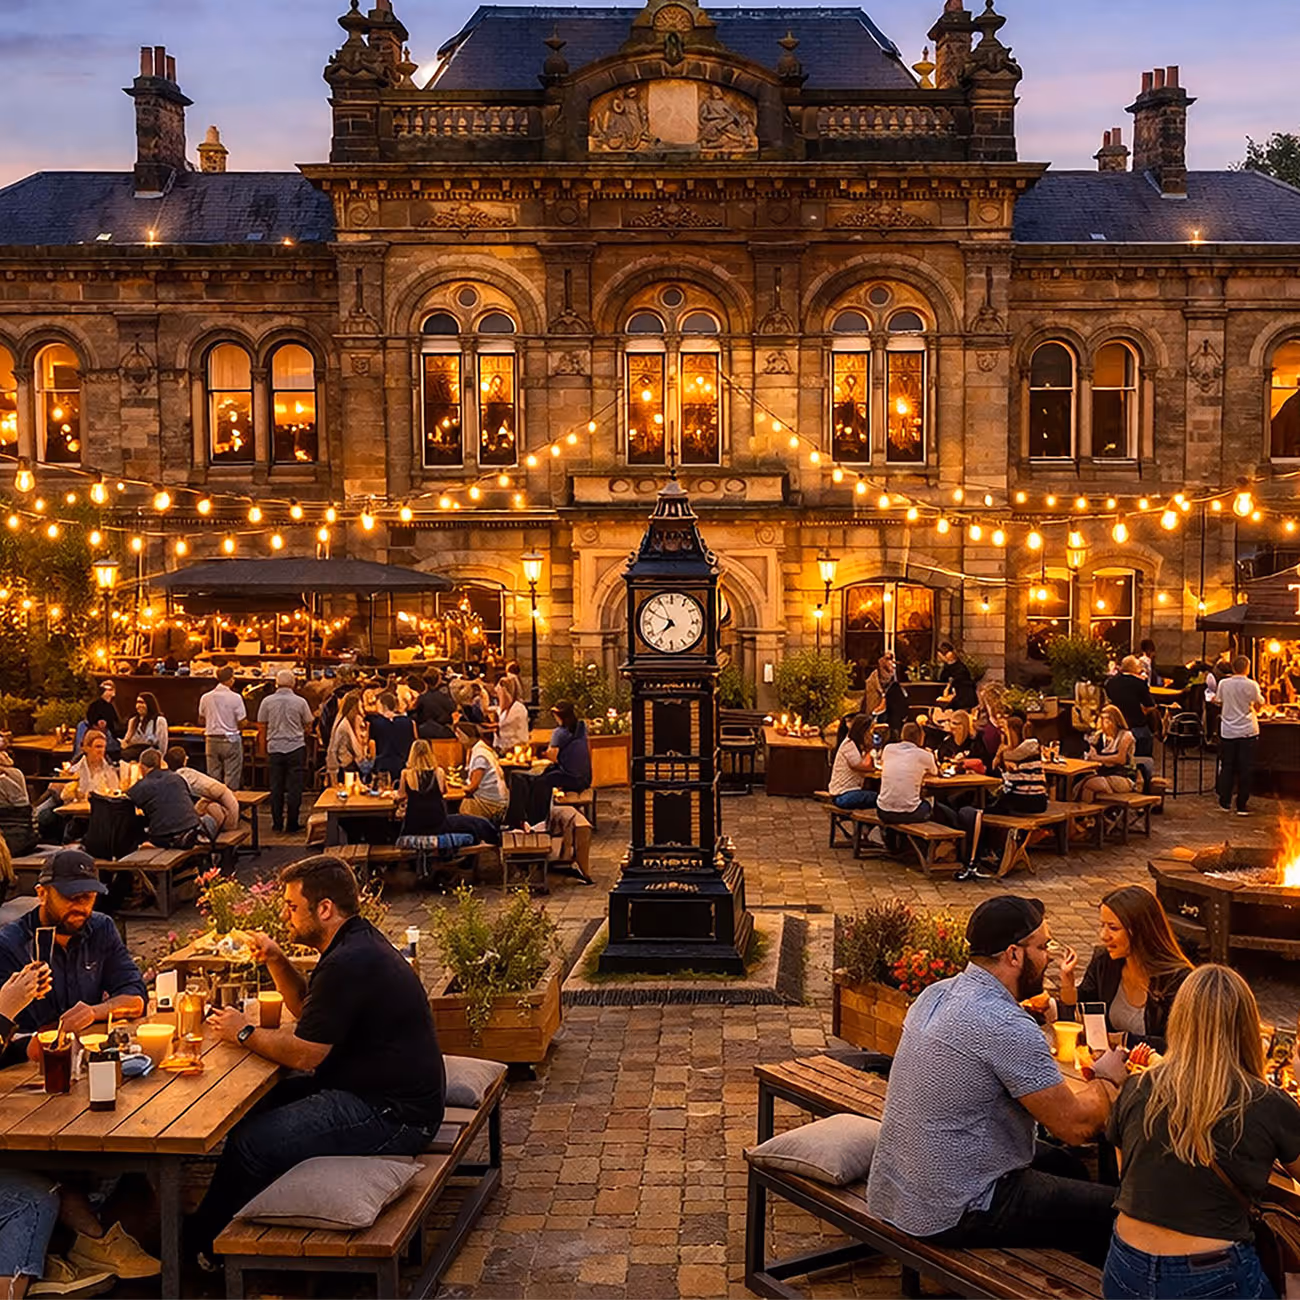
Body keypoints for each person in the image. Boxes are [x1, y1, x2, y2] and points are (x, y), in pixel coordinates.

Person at [193, 855, 446, 1264]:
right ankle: (248, 1214)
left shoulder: (349, 961)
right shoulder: (352, 943)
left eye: (292, 906)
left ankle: (202, 1246)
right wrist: (276, 957)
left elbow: (307, 1053)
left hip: (393, 1115)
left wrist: (243, 1031)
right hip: (378, 1092)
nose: (284, 915)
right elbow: (307, 1011)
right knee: (263, 1106)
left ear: (324, 908)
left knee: (250, 1143)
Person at [866, 895, 1126, 1264]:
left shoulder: (935, 993)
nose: (1049, 955)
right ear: (1014, 955)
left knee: (1067, 1167)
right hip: (954, 1208)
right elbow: (1077, 1126)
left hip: (899, 1190)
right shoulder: (1004, 1023)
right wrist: (1108, 1078)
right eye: (1042, 946)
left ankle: (1063, 1264)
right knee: (1119, 1214)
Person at [1102, 964, 1300, 1299]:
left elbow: (1129, 1176)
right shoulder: (1269, 1103)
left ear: (1179, 1021)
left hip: (1125, 1268)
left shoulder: (1136, 1087)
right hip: (1210, 1276)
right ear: (1248, 1027)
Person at [0, 850, 146, 1045]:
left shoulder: (101, 928)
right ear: (42, 894)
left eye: (88, 896)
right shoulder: (10, 944)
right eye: (70, 896)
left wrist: (94, 1012)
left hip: (86, 1050)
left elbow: (135, 995)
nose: (81, 905)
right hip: (30, 1062)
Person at [1057, 885, 1193, 1051]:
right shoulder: (1105, 962)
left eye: (1113, 928)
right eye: (1102, 925)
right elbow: (1082, 1010)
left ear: (1140, 930)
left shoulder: (1178, 980)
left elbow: (1180, 1045)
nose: (1104, 936)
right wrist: (1067, 984)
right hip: (1109, 1066)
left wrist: (1124, 1040)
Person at [956, 714, 1048, 875]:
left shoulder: (1014, 754)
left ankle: (982, 852)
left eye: (1004, 731)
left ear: (1011, 732)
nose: (1001, 735)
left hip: (1023, 801)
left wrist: (995, 761)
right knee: (987, 806)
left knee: (980, 812)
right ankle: (992, 850)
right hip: (1039, 800)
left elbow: (1009, 784)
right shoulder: (1032, 750)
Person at [256, 670, 314, 834]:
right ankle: (292, 823)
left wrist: (262, 749)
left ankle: (277, 823)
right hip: (295, 748)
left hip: (274, 748)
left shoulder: (266, 702)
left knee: (276, 787)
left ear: (276, 683)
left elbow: (261, 727)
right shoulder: (301, 702)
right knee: (295, 788)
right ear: (293, 684)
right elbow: (309, 725)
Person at [34, 730, 119, 842]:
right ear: (87, 748)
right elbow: (65, 796)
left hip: (100, 811)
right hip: (76, 812)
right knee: (44, 814)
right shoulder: (75, 770)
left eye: (103, 747)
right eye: (98, 747)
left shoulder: (109, 770)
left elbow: (114, 791)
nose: (101, 751)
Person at [127, 748, 214, 847]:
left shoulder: (141, 786)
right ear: (159, 764)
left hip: (164, 836)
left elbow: (126, 802)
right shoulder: (176, 777)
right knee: (208, 820)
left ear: (141, 767)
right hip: (192, 827)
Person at [1215, 655, 1263, 816]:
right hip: (1247, 730)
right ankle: (1241, 804)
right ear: (1247, 668)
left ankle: (1225, 802)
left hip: (1228, 730)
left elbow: (1218, 701)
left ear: (1233, 668)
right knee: (1245, 767)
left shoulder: (1224, 684)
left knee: (1227, 766)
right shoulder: (1252, 685)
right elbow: (1259, 702)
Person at [163, 746, 239, 834]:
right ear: (185, 760)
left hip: (227, 806)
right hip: (225, 799)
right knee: (206, 808)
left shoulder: (182, 775)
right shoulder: (184, 773)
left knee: (204, 810)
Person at [198, 666, 246, 790]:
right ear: (230, 679)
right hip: (231, 739)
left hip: (211, 740)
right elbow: (242, 722)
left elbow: (201, 719)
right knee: (231, 775)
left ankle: (215, 805)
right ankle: (230, 804)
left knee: (213, 777)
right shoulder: (236, 697)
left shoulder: (205, 697)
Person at [1080, 705, 1137, 803]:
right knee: (1081, 785)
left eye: (1107, 720)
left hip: (1122, 775)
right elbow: (1091, 756)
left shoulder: (1125, 736)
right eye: (1102, 720)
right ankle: (1089, 816)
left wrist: (1098, 758)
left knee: (1091, 784)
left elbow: (1120, 759)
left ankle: (1110, 805)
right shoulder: (1098, 737)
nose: (1104, 724)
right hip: (1101, 773)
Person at [1104, 656, 1156, 759]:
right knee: (1143, 758)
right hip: (1137, 727)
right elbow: (1150, 707)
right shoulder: (1139, 683)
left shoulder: (1110, 683)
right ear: (1134, 668)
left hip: (1116, 728)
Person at [457, 722, 508, 823]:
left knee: (462, 806)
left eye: (459, 736)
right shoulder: (481, 749)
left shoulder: (480, 756)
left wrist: (459, 788)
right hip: (497, 798)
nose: (458, 740)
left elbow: (473, 786)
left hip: (490, 803)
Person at [828, 715, 876, 810]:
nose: (871, 734)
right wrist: (870, 750)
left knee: (878, 798)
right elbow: (861, 766)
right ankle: (866, 824)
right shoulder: (849, 745)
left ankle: (865, 824)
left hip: (851, 792)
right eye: (870, 730)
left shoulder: (857, 745)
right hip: (842, 794)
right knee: (880, 799)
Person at [365, 692, 415, 783]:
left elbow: (371, 745)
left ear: (382, 705)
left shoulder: (375, 723)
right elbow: (414, 743)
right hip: (405, 765)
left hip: (382, 766)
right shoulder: (409, 722)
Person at [325, 690, 367, 786]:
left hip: (342, 765)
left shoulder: (342, 722)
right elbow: (356, 749)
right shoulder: (345, 725)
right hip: (346, 766)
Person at [121, 692, 168, 761]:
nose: (138, 705)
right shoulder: (133, 721)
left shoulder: (159, 720)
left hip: (151, 757)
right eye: (137, 702)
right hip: (134, 756)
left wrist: (160, 760)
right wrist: (124, 743)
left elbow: (163, 744)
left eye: (142, 702)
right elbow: (127, 739)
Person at [413, 670, 456, 741]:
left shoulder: (421, 698)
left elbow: (416, 714)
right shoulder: (444, 697)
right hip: (442, 732)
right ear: (438, 680)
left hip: (424, 732)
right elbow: (453, 710)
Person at [937, 642, 978, 711]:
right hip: (959, 699)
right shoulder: (948, 667)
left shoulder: (960, 669)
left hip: (963, 701)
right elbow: (943, 679)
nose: (939, 657)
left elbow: (961, 687)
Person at [494, 677, 530, 754]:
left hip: (516, 750)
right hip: (501, 749)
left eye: (499, 693)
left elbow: (508, 726)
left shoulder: (518, 708)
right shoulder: (501, 710)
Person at [84, 682, 122, 752]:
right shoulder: (94, 705)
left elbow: (116, 723)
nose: (107, 692)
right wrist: (97, 723)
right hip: (94, 729)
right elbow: (90, 716)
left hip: (110, 733)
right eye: (105, 690)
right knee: (81, 726)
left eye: (110, 690)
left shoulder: (113, 706)